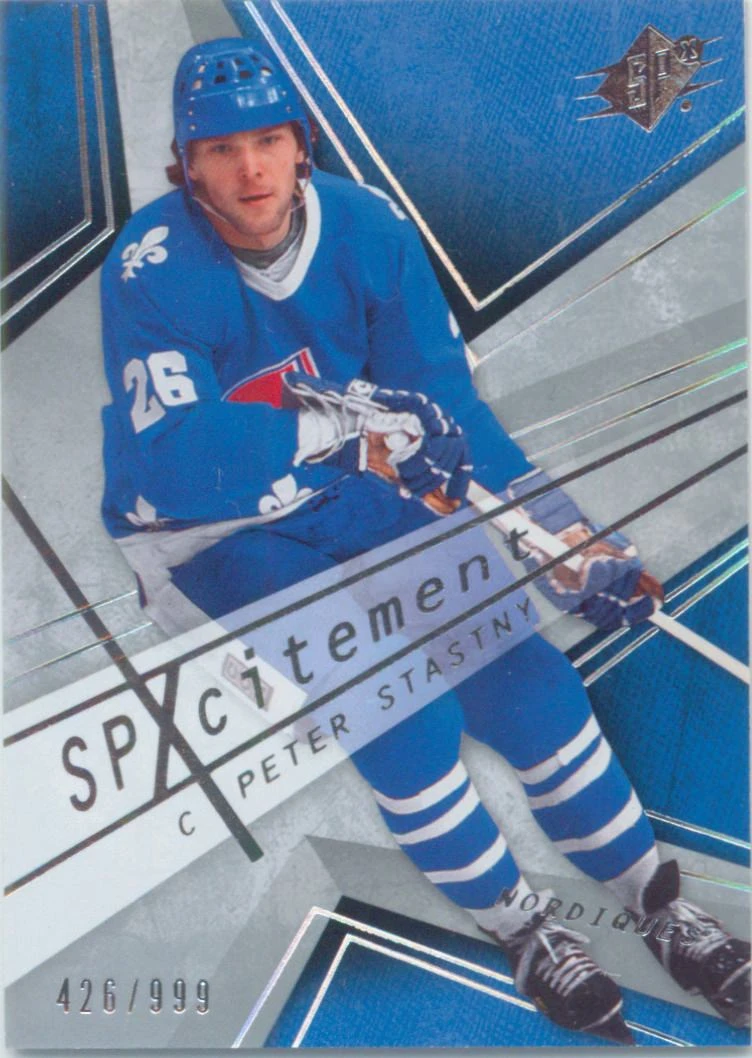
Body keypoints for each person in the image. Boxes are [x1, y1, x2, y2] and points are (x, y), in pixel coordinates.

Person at [100, 37, 750, 1042]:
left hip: (356, 486)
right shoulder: (152, 267)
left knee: (526, 680)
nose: (250, 170)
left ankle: (656, 902)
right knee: (396, 710)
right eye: (220, 149)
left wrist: (568, 541)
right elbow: (175, 459)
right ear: (184, 166)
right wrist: (339, 430)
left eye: (267, 140)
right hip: (214, 532)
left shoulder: (367, 228)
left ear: (302, 144)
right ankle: (522, 927)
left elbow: (448, 410)